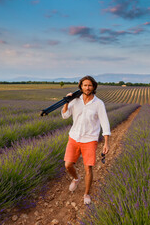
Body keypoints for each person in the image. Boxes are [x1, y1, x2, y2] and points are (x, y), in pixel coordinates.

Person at [61, 75, 110, 205]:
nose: (87, 87)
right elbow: (65, 116)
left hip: (90, 139)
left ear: (93, 87)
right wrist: (66, 101)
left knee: (88, 168)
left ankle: (86, 193)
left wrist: (106, 142)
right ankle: (76, 178)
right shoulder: (75, 101)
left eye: (89, 85)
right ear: (81, 87)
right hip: (74, 137)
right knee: (68, 165)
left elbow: (105, 123)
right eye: (84, 85)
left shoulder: (98, 103)